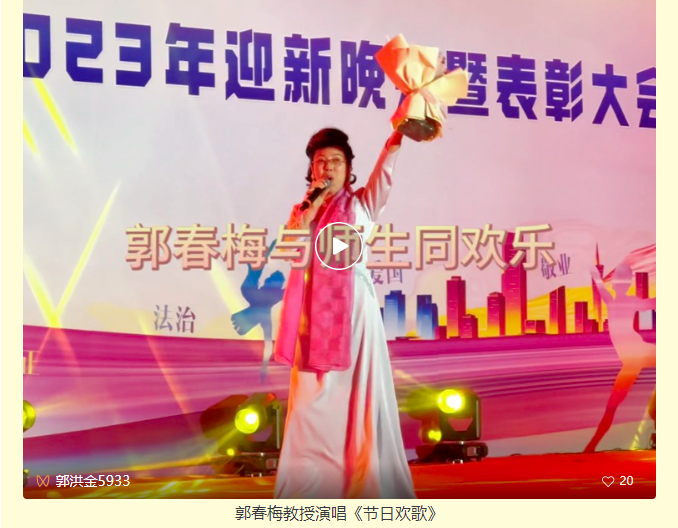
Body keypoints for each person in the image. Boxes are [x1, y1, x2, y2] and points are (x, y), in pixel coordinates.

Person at [272, 128, 416, 499]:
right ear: (311, 170)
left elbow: (384, 175)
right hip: (313, 316)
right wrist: (308, 215)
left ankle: (363, 484)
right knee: (309, 404)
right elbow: (291, 255)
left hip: (355, 314)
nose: (328, 167)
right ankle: (307, 489)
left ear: (349, 170)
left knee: (357, 400)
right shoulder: (302, 211)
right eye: (320, 161)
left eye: (336, 161)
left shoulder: (362, 205)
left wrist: (395, 139)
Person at [585, 262, 656, 453]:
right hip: (632, 360)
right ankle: (591, 446)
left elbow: (653, 302)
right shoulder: (611, 301)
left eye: (623, 279)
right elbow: (600, 286)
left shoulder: (630, 301)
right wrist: (594, 273)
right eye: (618, 279)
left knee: (612, 406)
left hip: (640, 352)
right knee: (612, 406)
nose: (619, 283)